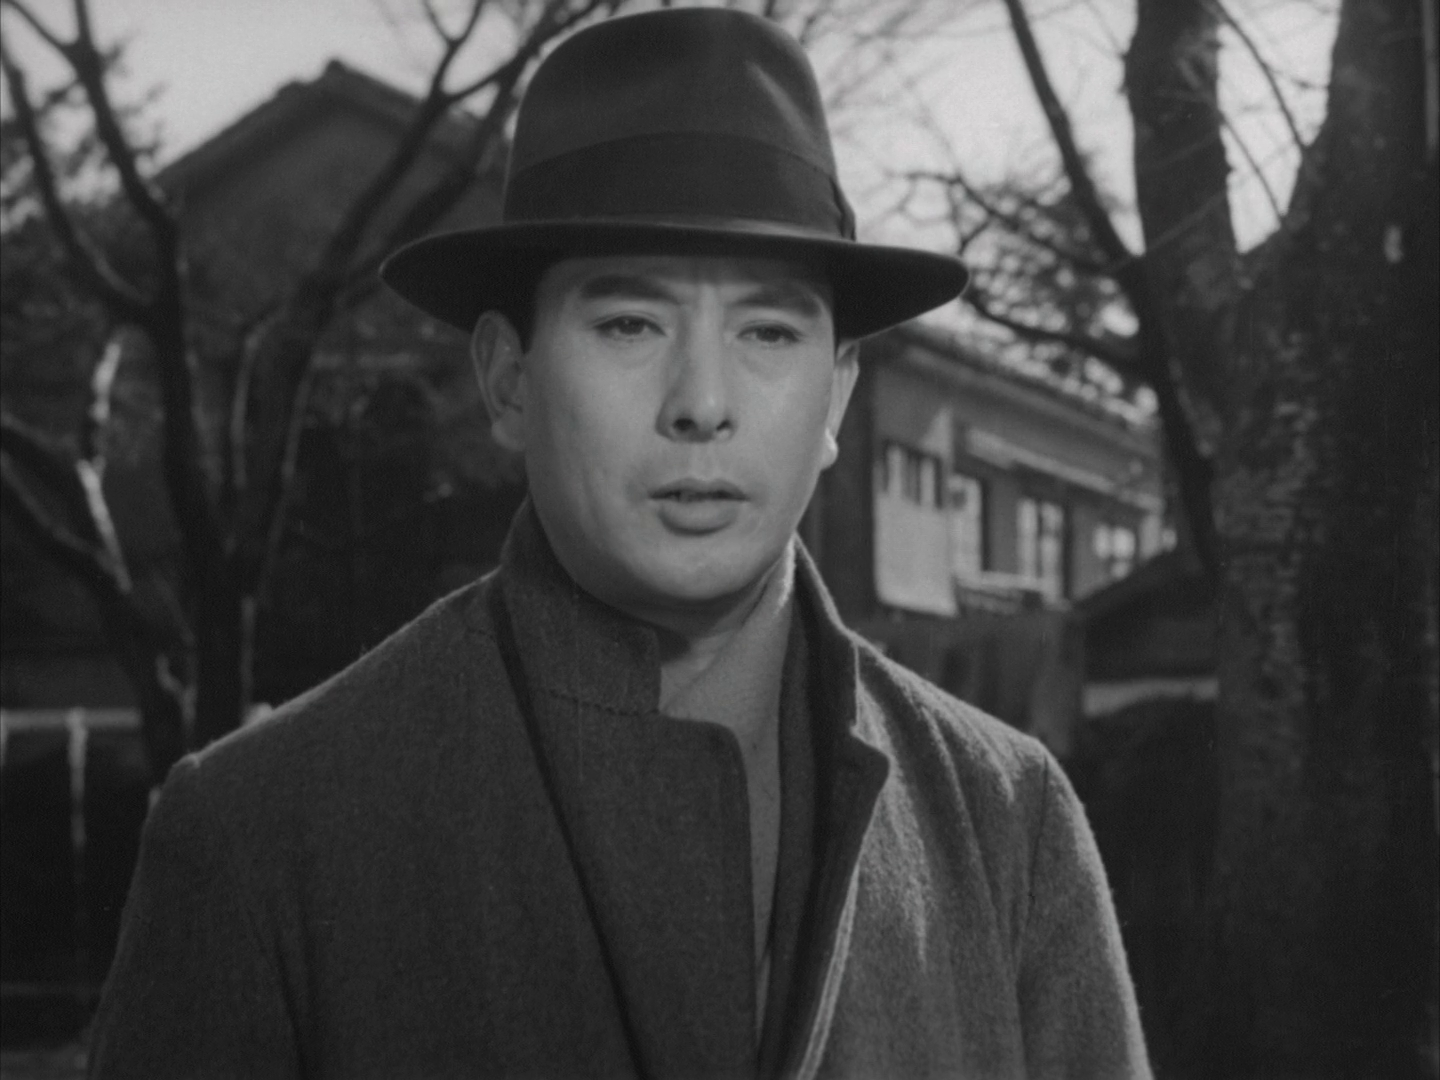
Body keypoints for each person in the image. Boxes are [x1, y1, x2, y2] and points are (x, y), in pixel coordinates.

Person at [88, 9, 1150, 1078]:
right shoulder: (262, 834)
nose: (702, 402)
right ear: (508, 378)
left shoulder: (1006, 820)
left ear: (836, 394)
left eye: (769, 332)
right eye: (629, 324)